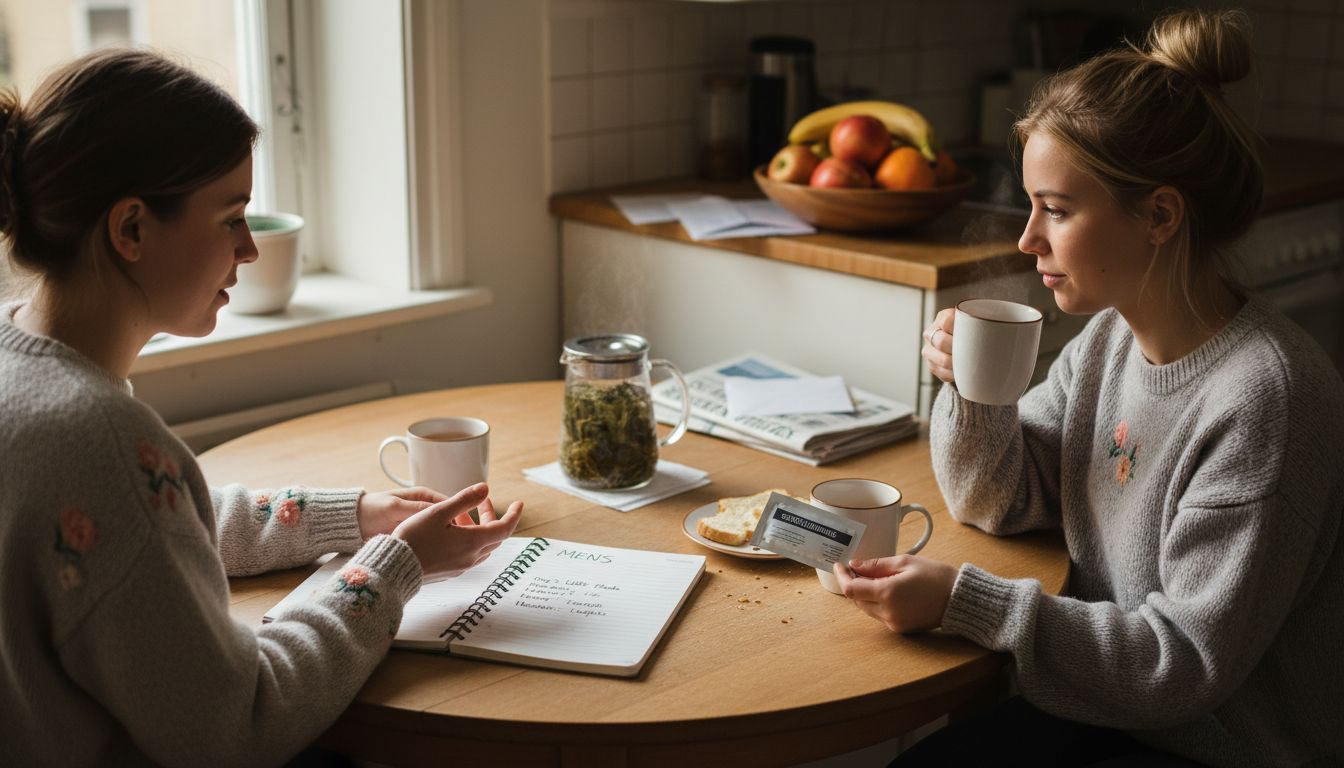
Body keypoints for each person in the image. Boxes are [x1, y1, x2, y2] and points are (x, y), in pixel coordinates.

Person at [832, 9, 1344, 767]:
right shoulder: (1109, 341)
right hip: (1116, 712)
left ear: (1160, 215)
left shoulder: (1265, 398)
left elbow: (1182, 664)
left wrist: (965, 602)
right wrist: (975, 389)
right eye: (1032, 204)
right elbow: (997, 498)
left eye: (1059, 210)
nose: (1027, 238)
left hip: (1214, 746)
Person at [0, 49, 523, 765]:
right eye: (231, 218)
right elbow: (241, 722)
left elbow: (149, 531)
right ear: (130, 230)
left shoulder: (20, 357)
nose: (248, 250)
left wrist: (356, 515)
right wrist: (393, 565)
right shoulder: (95, 438)